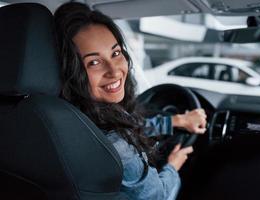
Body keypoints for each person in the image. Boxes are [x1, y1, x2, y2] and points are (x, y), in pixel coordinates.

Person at [54, 2, 207, 199]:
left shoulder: (64, 114)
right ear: (70, 69)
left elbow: (131, 129)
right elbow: (159, 195)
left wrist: (176, 121)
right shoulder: (113, 141)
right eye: (94, 62)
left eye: (116, 53)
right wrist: (173, 166)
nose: (114, 70)